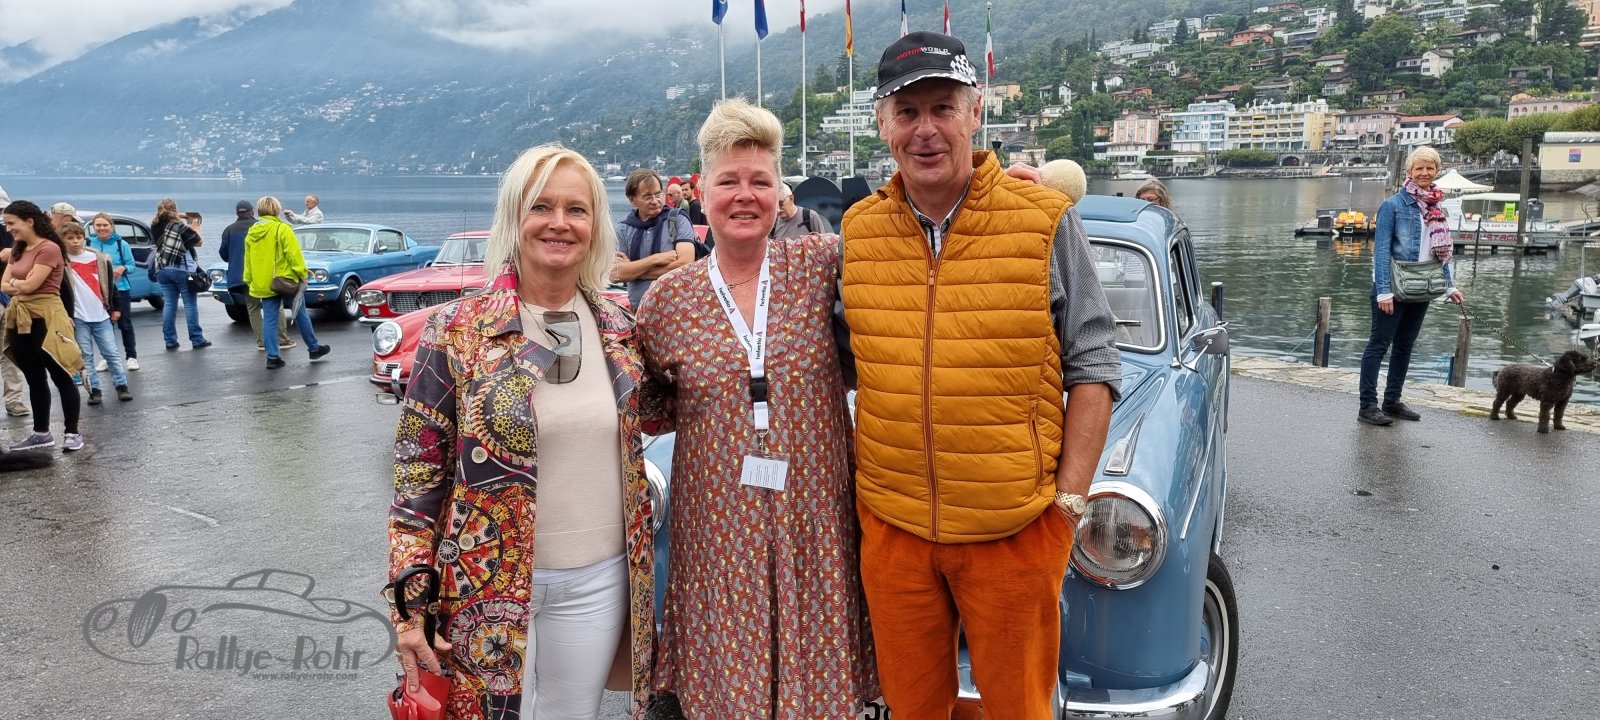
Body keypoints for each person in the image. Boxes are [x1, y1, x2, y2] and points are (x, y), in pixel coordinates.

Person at [839, 32, 1122, 718]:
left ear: (975, 113)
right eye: (907, 113)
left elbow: (1094, 363)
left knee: (1019, 708)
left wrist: (1068, 505)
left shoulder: (1043, 219)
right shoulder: (857, 230)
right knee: (911, 710)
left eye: (943, 108)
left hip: (1013, 531)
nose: (925, 130)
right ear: (882, 125)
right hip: (895, 529)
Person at [387, 144, 662, 720]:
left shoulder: (621, 329)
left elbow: (672, 412)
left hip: (598, 580)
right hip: (481, 586)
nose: (559, 223)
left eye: (576, 209)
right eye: (541, 206)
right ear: (514, 217)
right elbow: (417, 481)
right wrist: (409, 609)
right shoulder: (456, 330)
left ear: (595, 225)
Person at [637, 99, 877, 719]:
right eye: (728, 181)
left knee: (818, 695)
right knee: (726, 697)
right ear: (702, 192)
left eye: (760, 181)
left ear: (780, 193)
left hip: (814, 523)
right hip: (717, 534)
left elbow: (903, 238)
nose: (745, 196)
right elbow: (647, 407)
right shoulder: (667, 301)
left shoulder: (821, 265)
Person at [1359, 145, 1465, 426]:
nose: (1424, 173)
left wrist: (1450, 287)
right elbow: (1381, 250)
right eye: (1419, 168)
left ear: (1437, 171)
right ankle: (1367, 406)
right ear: (1409, 171)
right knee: (1379, 345)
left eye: (1430, 168)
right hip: (1392, 287)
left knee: (1405, 345)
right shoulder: (1393, 205)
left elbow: (1440, 253)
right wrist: (1383, 290)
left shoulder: (1436, 207)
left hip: (1422, 286)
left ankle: (1392, 400)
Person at [0, 201, 85, 452]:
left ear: (30, 221)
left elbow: (30, 285)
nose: (8, 228)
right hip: (21, 319)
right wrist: (20, 285)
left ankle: (72, 433)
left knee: (61, 376)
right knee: (34, 378)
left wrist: (17, 284)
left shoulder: (49, 248)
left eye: (11, 223)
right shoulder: (18, 249)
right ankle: (41, 433)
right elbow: (3, 284)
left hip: (47, 319)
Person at [242, 197, 330, 370]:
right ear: (276, 210)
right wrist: (302, 274)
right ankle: (313, 348)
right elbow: (294, 255)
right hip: (285, 281)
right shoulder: (283, 229)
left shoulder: (252, 232)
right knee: (300, 313)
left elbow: (248, 259)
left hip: (263, 282)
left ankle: (272, 357)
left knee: (269, 319)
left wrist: (249, 279)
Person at [61, 221, 132, 404]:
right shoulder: (62, 262)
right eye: (70, 238)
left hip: (101, 314)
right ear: (63, 240)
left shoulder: (98, 258)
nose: (75, 241)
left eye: (79, 237)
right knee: (86, 355)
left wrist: (116, 308)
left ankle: (121, 386)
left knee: (111, 353)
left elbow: (110, 284)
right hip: (78, 316)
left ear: (84, 238)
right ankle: (94, 390)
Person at [612, 169, 695, 309]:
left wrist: (634, 271)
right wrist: (656, 259)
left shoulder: (677, 219)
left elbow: (686, 265)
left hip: (676, 311)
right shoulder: (624, 229)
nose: (655, 201)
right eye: (647, 197)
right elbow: (615, 274)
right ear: (632, 200)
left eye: (657, 194)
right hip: (639, 310)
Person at [220, 201, 293, 351]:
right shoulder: (261, 226)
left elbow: (224, 254)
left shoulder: (229, 230)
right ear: (252, 212)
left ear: (237, 213)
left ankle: (262, 342)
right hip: (264, 273)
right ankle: (282, 340)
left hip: (242, 276)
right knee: (275, 305)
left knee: (252, 307)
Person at [149, 198, 211, 350]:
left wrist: (180, 215)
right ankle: (197, 339)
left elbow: (166, 217)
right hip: (182, 269)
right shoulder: (179, 227)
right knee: (190, 304)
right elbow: (198, 242)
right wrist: (195, 227)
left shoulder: (154, 225)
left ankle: (170, 341)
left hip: (162, 269)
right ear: (175, 210)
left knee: (170, 304)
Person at [87, 213, 140, 371]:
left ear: (111, 226)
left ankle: (131, 357)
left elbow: (132, 266)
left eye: (105, 225)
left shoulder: (121, 244)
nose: (102, 228)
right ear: (93, 227)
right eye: (98, 225)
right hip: (98, 291)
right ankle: (107, 358)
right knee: (104, 326)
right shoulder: (88, 244)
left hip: (121, 289)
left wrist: (122, 268)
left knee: (125, 324)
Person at [0, 190, 30, 416]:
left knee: (10, 350)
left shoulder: (12, 231)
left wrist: (15, 253)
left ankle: (14, 399)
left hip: (9, 298)